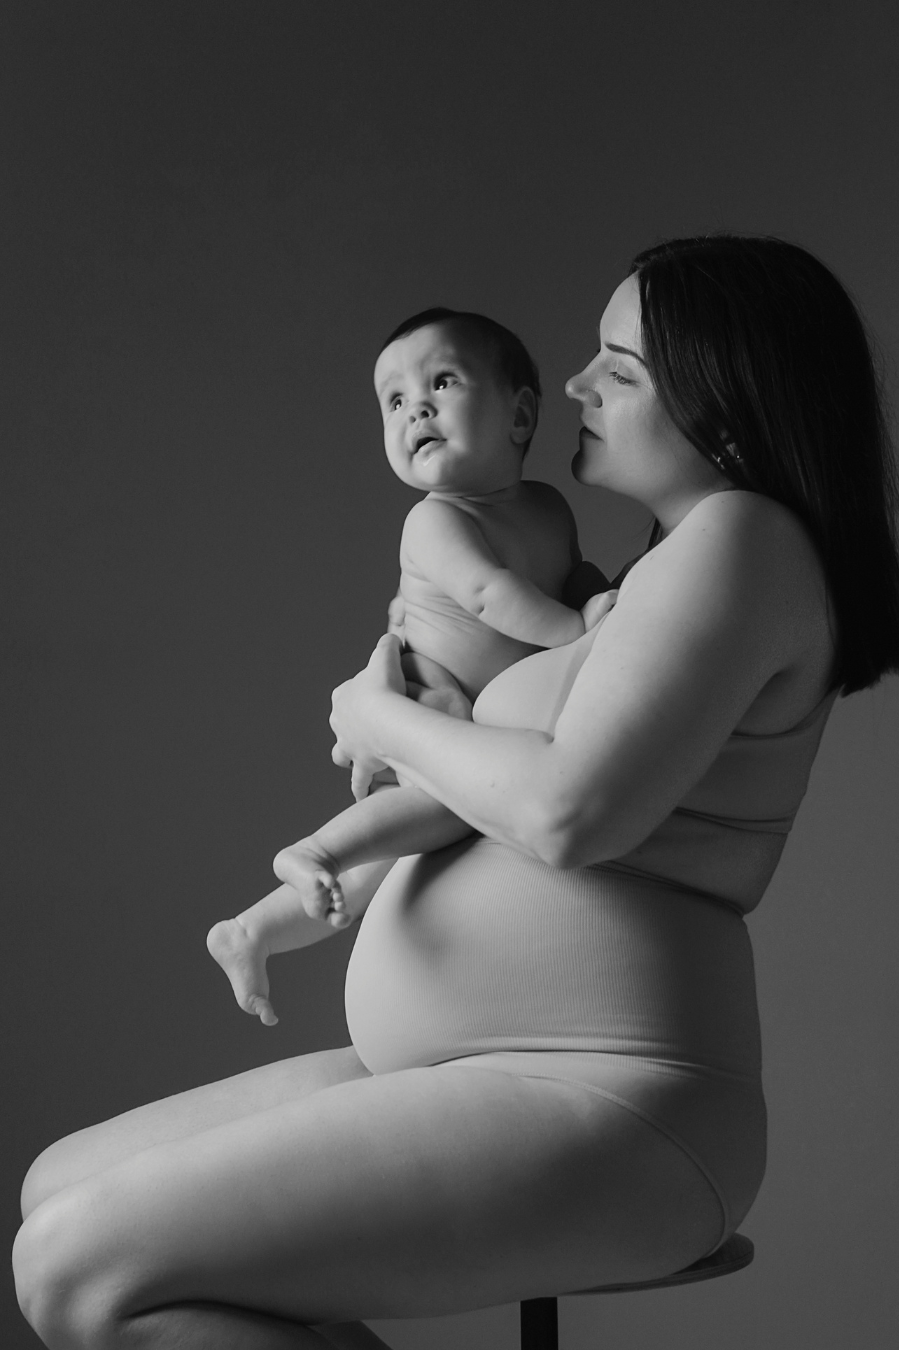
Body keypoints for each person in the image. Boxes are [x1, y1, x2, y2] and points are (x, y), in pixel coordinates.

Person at [14, 235, 899, 1350]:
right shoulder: (634, 582)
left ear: (726, 410)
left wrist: (377, 715)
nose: (573, 383)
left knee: (77, 1266)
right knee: (57, 1190)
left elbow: (569, 814)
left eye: (617, 368)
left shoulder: (743, 537)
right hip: (476, 1070)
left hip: (613, 1098)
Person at [207, 307, 613, 1027]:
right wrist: (579, 638)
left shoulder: (547, 507)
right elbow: (491, 596)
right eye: (393, 401)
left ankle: (252, 931)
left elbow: (565, 575)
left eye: (442, 381)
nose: (415, 406)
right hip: (431, 691)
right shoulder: (437, 518)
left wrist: (592, 596)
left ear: (519, 418)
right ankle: (311, 850)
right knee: (425, 815)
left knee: (384, 864)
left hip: (471, 709)